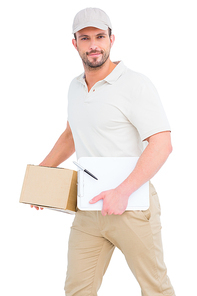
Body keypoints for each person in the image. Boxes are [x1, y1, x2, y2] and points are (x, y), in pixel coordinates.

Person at [31, 7, 176, 296]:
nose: (93, 45)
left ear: (112, 39)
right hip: (88, 208)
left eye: (100, 36)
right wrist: (40, 178)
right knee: (77, 290)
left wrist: (121, 192)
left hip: (132, 207)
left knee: (155, 289)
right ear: (75, 43)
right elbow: (71, 135)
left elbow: (162, 144)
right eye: (85, 38)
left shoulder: (135, 84)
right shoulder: (75, 87)